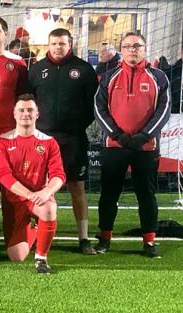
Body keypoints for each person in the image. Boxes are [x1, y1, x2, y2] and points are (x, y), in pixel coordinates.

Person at [94, 31, 171, 258]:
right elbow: (99, 109)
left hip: (145, 147)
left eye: (137, 46)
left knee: (146, 194)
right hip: (115, 146)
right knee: (109, 194)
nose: (132, 50)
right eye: (127, 46)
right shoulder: (110, 76)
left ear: (144, 49)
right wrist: (117, 135)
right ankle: (105, 238)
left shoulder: (159, 77)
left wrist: (145, 135)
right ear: (122, 50)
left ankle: (149, 242)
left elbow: (164, 110)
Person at [28, 28, 99, 254]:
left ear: (70, 45)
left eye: (62, 43)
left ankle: (84, 238)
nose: (58, 47)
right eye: (54, 43)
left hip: (73, 139)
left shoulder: (84, 70)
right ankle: (37, 233)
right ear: (48, 45)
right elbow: (28, 103)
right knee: (40, 187)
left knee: (77, 187)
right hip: (42, 140)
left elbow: (92, 107)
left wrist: (76, 127)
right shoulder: (37, 70)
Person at [0, 94, 65, 274]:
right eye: (21, 110)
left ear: (37, 114)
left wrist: (47, 192)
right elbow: (3, 176)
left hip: (38, 198)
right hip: (14, 201)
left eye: (30, 110)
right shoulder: (3, 141)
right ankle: (35, 228)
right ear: (14, 114)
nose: (26, 114)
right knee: (16, 256)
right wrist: (29, 195)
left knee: (49, 209)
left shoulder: (48, 142)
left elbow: (59, 175)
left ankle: (41, 258)